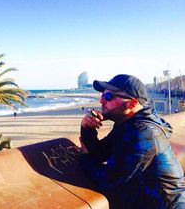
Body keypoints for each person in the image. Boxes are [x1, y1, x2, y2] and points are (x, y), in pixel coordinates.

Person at [79, 74, 185, 209]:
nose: (101, 101)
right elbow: (100, 153)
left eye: (108, 97)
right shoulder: (127, 124)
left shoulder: (144, 133)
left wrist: (84, 157)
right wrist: (87, 127)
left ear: (132, 103)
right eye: (102, 95)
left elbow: (108, 179)